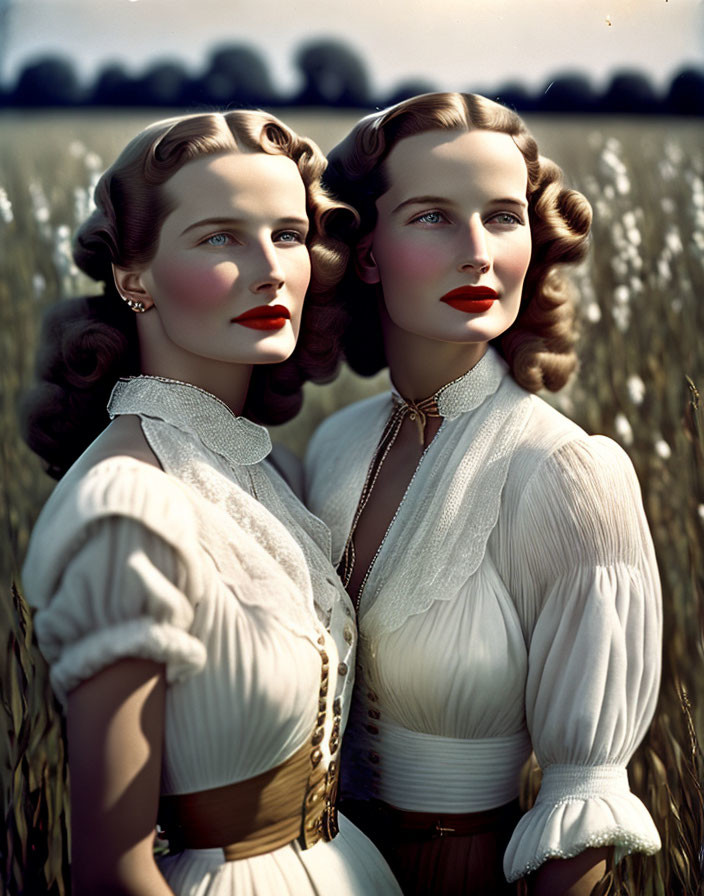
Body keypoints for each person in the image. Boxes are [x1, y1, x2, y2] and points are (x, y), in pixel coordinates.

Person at [20, 110, 402, 896]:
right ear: (134, 279)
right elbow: (111, 871)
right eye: (220, 237)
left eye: (288, 235)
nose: (269, 269)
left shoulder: (272, 472)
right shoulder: (129, 505)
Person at [304, 92, 662, 896]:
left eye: (503, 218)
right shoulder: (335, 445)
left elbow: (587, 800)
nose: (478, 252)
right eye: (433, 216)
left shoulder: (568, 473)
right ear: (365, 252)